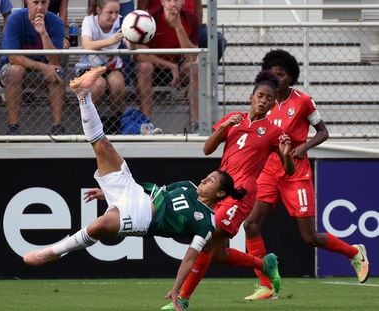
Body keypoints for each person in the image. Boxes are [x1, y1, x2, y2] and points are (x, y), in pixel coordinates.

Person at [22, 66, 281, 311]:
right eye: (207, 177)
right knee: (103, 146)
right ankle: (83, 96)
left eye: (210, 181)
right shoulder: (188, 186)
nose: (204, 180)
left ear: (220, 193)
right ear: (251, 96)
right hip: (134, 191)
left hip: (142, 217)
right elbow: (158, 187)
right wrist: (107, 192)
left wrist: (175, 288)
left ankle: (53, 252)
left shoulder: (205, 223)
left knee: (101, 226)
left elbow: (189, 257)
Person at [160, 70, 295, 310]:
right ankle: (265, 265)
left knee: (207, 239)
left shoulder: (274, 132)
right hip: (219, 190)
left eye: (269, 99)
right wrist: (223, 128)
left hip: (241, 194)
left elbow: (290, 170)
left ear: (273, 104)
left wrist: (286, 156)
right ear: (251, 97)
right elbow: (207, 149)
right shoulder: (234, 118)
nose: (263, 101)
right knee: (218, 253)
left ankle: (182, 298)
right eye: (260, 96)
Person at [242, 49, 370, 300]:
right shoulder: (263, 102)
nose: (276, 79)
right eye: (272, 74)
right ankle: (266, 285)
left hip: (295, 174)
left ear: (291, 77)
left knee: (309, 237)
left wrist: (305, 146)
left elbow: (323, 131)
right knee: (250, 224)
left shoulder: (302, 101)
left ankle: (354, 253)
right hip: (269, 171)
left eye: (281, 74)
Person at [0, 0, 65, 135]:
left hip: (42, 70)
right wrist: (43, 67)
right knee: (16, 70)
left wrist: (44, 34)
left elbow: (55, 60)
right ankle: (13, 128)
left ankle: (58, 128)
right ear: (27, 2)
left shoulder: (56, 22)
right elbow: (13, 58)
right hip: (13, 68)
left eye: (44, 2)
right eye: (35, 2)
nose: (40, 7)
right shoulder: (15, 19)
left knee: (56, 72)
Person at [131, 0, 199, 131]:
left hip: (179, 68)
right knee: (144, 67)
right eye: (168, 0)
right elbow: (141, 55)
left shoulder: (190, 18)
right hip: (156, 67)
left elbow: (192, 56)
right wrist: (169, 66)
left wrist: (178, 27)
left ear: (183, 1)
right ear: (162, 2)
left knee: (194, 68)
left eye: (176, 0)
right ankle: (147, 124)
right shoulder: (150, 18)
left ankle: (196, 123)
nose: (172, 4)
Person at [78, 0, 126, 134]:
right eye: (110, 12)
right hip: (89, 67)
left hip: (112, 67)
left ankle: (116, 121)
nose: (114, 16)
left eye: (117, 12)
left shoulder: (122, 23)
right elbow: (87, 44)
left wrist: (134, 36)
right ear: (99, 10)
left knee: (117, 83)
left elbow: (132, 46)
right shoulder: (89, 21)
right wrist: (112, 40)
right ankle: (91, 123)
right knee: (98, 84)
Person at [137, 0, 226, 62]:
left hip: (188, 22)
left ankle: (206, 76)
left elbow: (198, 6)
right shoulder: (154, 15)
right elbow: (141, 8)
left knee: (218, 40)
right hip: (159, 23)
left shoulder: (190, 18)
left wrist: (195, 29)